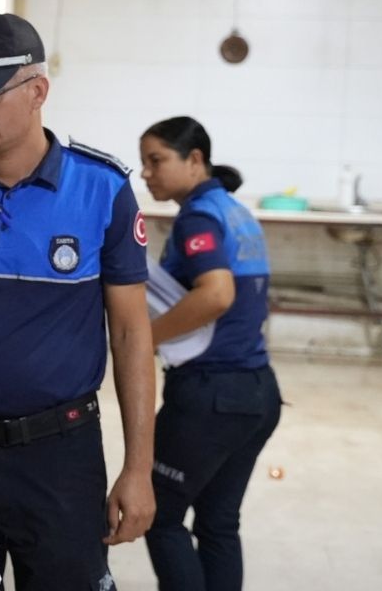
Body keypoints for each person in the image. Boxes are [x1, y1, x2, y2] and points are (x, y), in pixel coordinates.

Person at [0, 13, 156, 591]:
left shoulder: (102, 190)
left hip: (60, 457)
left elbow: (130, 335)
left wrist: (139, 468)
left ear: (38, 90)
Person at [137, 116, 283, 591]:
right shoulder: (233, 210)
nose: (146, 173)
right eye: (144, 163)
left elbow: (216, 295)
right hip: (258, 391)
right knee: (218, 522)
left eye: (156, 161)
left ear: (194, 160)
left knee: (159, 514)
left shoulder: (198, 217)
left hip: (212, 394)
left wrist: (148, 337)